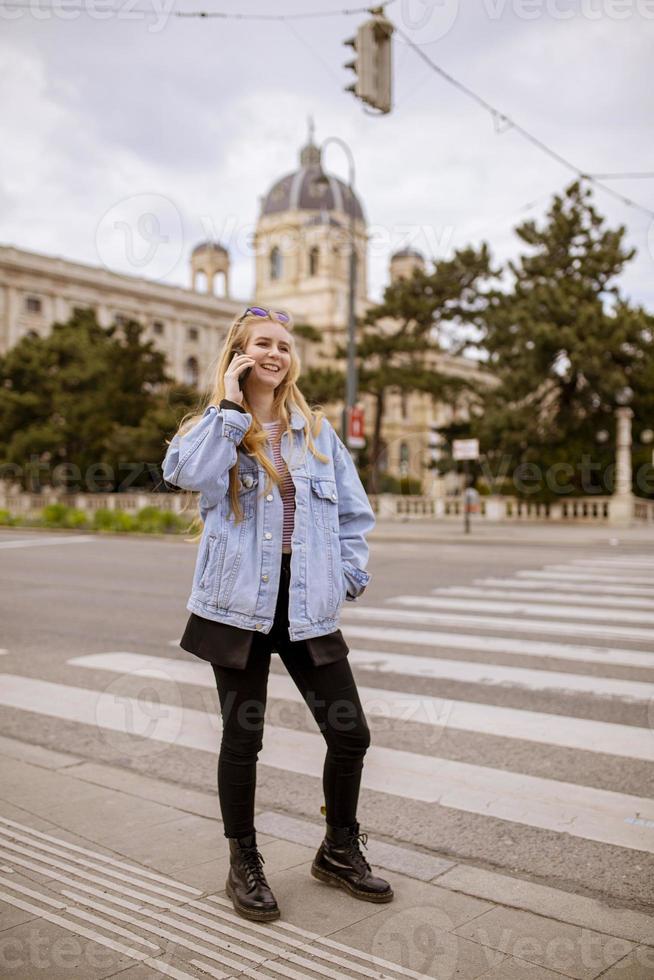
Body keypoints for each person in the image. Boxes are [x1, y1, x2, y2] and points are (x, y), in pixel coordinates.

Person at [162, 305, 393, 922]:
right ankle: (244, 862)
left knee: (350, 734)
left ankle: (338, 850)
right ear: (238, 355)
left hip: (307, 604)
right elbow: (184, 475)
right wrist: (232, 411)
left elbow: (353, 514)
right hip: (237, 606)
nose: (276, 353)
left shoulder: (316, 432)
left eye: (285, 346)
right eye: (262, 343)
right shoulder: (213, 428)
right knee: (244, 738)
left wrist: (346, 575)